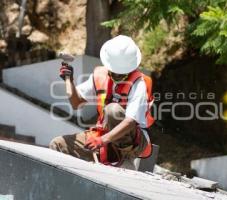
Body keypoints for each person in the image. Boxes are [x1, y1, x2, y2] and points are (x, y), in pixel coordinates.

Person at [49, 35, 154, 170]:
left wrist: (102, 140)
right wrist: (68, 80)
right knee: (57, 145)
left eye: (123, 74)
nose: (118, 77)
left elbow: (131, 122)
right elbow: (76, 103)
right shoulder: (100, 75)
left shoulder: (139, 84)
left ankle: (124, 159)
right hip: (105, 135)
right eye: (115, 73)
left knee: (112, 110)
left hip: (134, 141)